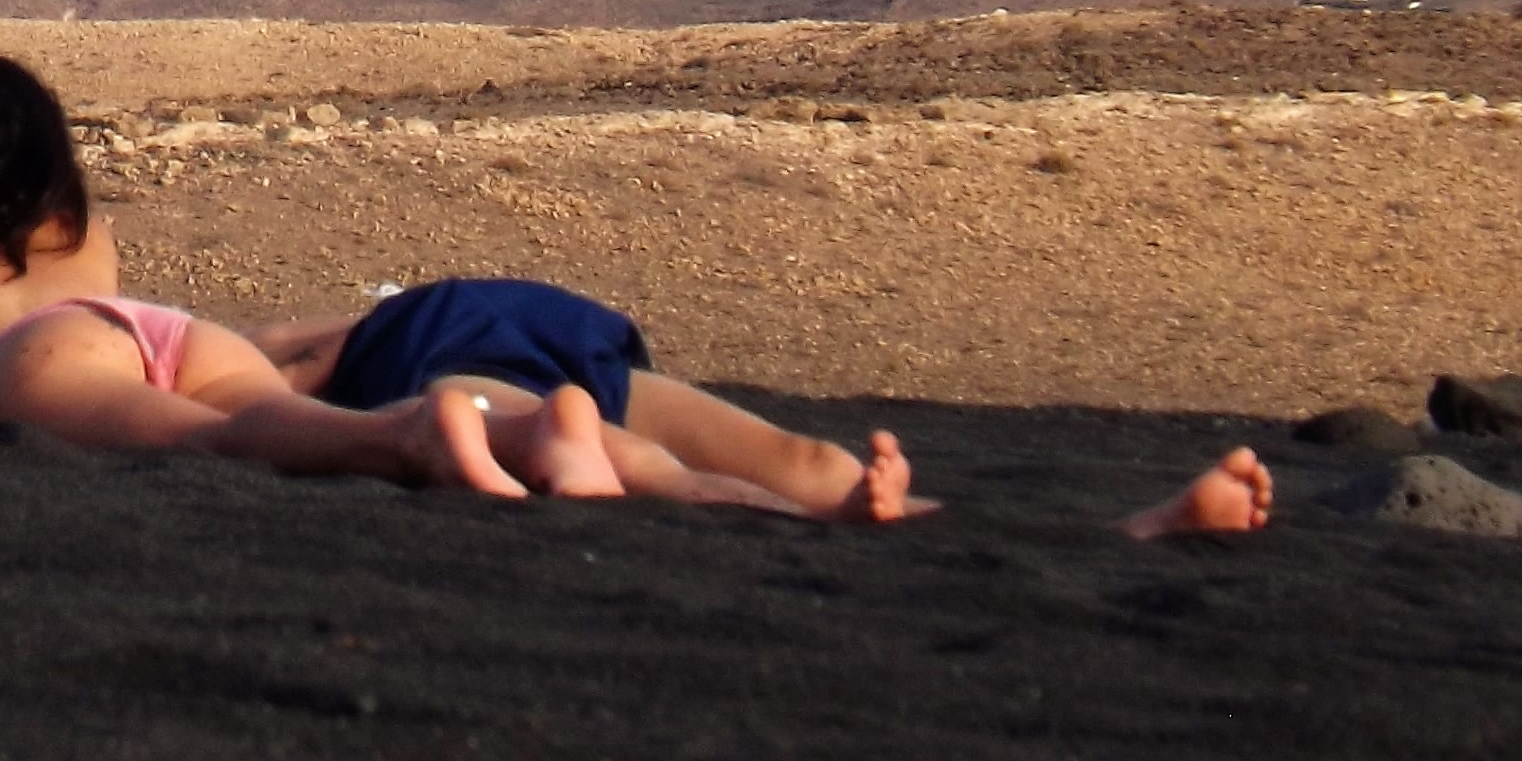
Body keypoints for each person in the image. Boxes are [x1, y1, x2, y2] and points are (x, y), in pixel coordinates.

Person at [0, 53, 621, 495]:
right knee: (280, 420)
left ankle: (419, 435)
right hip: (159, 333)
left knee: (212, 444)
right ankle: (525, 432)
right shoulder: (82, 227)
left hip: (29, 364)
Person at [256, 276, 1273, 537]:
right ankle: (1136, 531)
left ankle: (1106, 530)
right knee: (630, 458)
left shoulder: (166, 335)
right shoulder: (209, 361)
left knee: (810, 458)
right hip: (450, 361)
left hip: (530, 334)